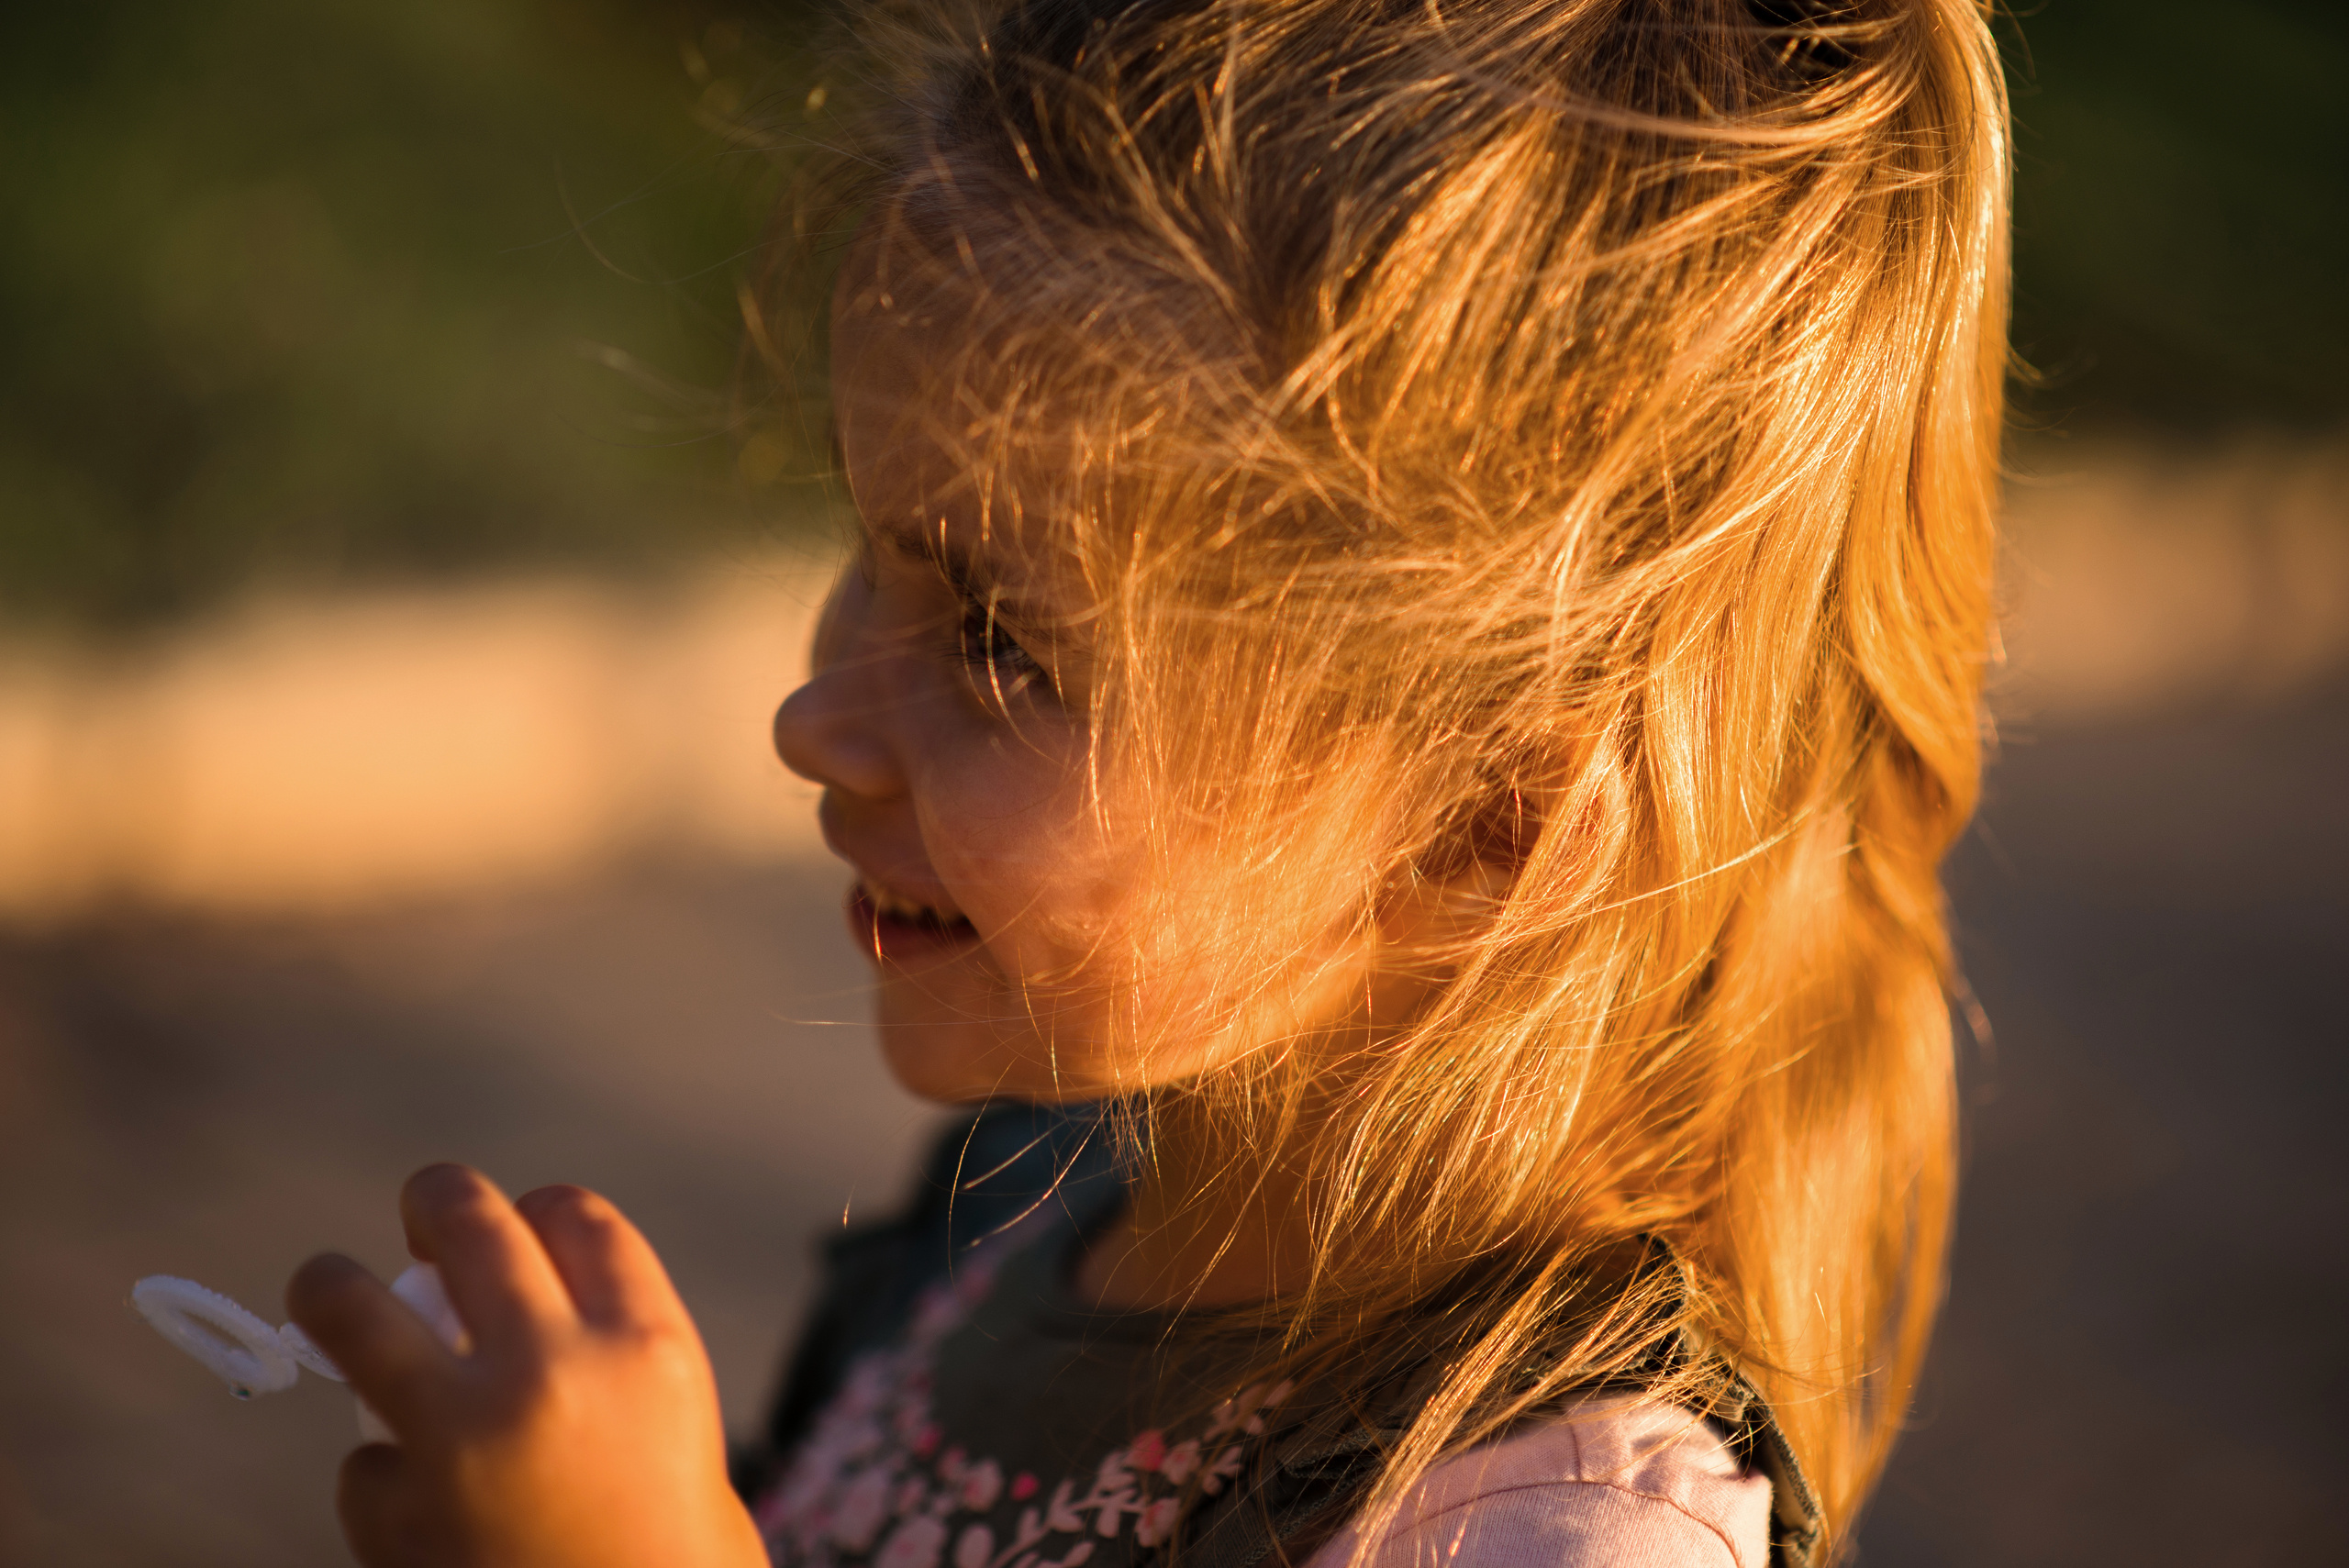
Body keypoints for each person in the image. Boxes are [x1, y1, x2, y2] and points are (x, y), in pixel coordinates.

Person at [283, 0, 2012, 1564]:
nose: (814, 716)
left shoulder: (1540, 1522)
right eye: (868, 549)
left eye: (999, 642)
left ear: (1483, 825)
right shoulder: (1029, 1205)